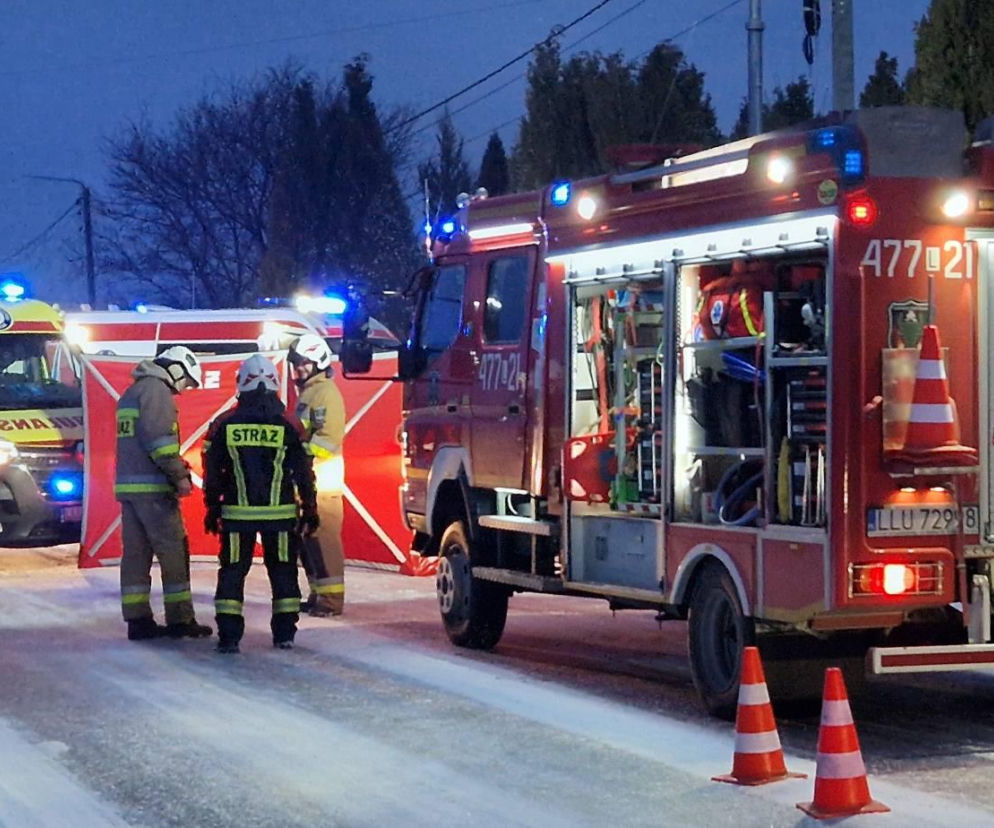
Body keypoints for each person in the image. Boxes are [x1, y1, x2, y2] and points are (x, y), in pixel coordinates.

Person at [203, 354, 318, 653]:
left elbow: (212, 472)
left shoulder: (224, 423)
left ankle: (229, 636)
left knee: (232, 572)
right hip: (280, 516)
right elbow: (304, 472)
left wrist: (212, 507)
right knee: (283, 571)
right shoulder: (290, 424)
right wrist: (310, 507)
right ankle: (284, 634)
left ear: (241, 384)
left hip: (236, 515)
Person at [115, 345, 212, 641]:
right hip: (155, 491)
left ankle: (138, 620)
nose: (183, 390)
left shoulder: (132, 392)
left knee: (136, 556)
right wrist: (179, 476)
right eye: (186, 382)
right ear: (176, 369)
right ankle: (180, 619)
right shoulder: (156, 392)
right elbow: (161, 443)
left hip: (130, 490)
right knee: (174, 553)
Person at [288, 333, 347, 617]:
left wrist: (301, 456)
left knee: (324, 542)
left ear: (318, 362)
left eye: (304, 363)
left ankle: (331, 601)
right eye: (296, 363)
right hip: (307, 482)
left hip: (322, 482)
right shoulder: (309, 393)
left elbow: (328, 438)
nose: (298, 368)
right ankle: (318, 594)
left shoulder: (325, 393)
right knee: (309, 541)